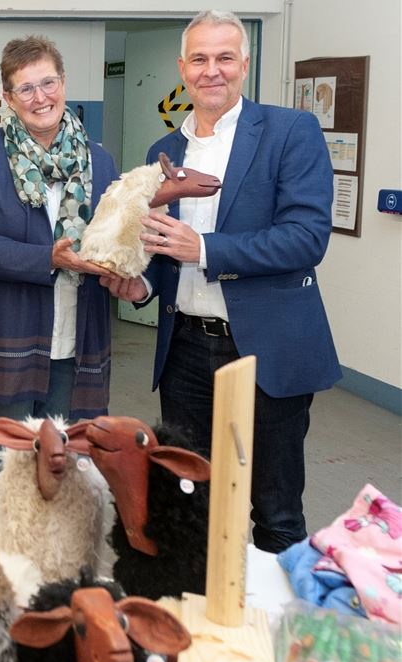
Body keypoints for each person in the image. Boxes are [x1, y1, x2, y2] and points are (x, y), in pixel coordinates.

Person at [102, 10, 340, 553]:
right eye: (201, 59)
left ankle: (273, 636)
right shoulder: (164, 153)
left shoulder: (289, 132)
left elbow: (307, 238)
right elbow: (165, 251)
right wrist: (142, 287)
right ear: (182, 68)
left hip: (265, 352)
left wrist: (206, 249)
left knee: (276, 511)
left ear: (245, 65)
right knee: (192, 503)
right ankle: (201, 630)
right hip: (185, 351)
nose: (213, 71)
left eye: (225, 58)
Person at [0, 36, 118, 541]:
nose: (40, 96)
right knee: (4, 468)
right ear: (8, 97)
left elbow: (118, 237)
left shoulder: (100, 160)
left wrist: (126, 271)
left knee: (69, 465)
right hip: (9, 338)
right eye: (25, 88)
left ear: (64, 84)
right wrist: (47, 259)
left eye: (48, 82)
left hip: (76, 341)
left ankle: (56, 580)